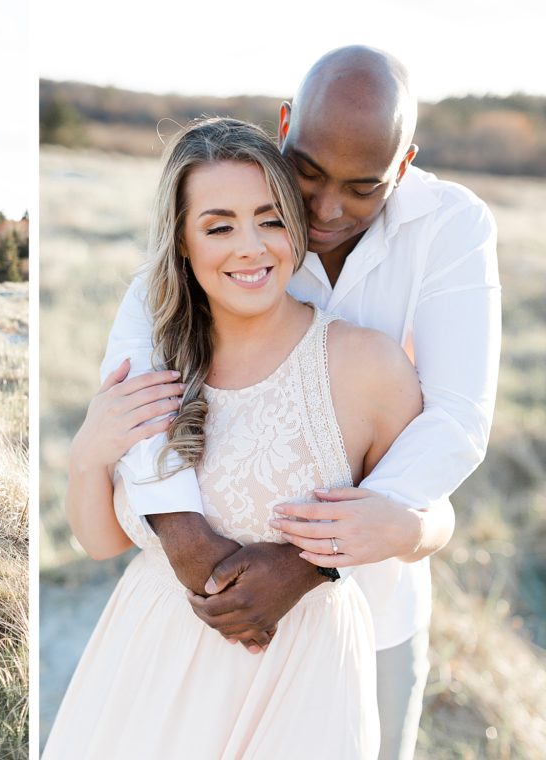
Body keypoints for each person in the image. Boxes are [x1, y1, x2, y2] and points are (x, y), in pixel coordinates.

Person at [85, 46, 500, 760]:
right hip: (207, 608)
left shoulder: (452, 228)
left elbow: (457, 421)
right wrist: (188, 543)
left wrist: (310, 562)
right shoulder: (246, 211)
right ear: (284, 126)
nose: (327, 209)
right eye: (306, 172)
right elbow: (139, 374)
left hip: (373, 610)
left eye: (364, 187)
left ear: (402, 166)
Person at [45, 116, 422, 759]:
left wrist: (315, 563)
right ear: (184, 243)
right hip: (152, 656)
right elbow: (102, 540)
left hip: (301, 675)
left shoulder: (369, 366)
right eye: (219, 226)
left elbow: (415, 514)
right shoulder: (158, 357)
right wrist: (86, 456)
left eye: (271, 219)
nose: (250, 246)